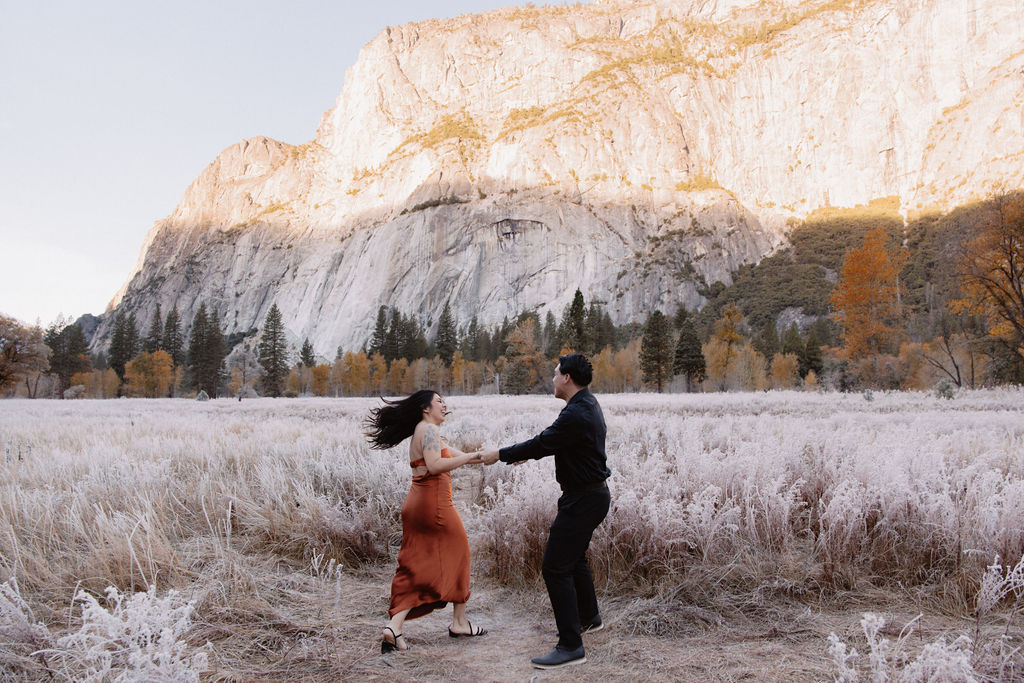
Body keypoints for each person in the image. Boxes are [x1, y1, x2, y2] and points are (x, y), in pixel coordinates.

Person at [479, 353, 611, 670]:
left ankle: (570, 645)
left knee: (555, 567)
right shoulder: (584, 406)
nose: (552, 379)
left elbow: (544, 441)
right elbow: (553, 442)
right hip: (589, 497)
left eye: (555, 374)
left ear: (567, 377)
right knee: (573, 557)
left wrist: (499, 454)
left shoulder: (577, 413)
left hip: (584, 499)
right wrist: (532, 453)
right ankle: (589, 618)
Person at [364, 390, 487, 654]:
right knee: (460, 553)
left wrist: (483, 456)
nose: (444, 404)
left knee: (416, 563)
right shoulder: (428, 430)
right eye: (439, 400)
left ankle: (394, 627)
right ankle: (459, 622)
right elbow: (435, 465)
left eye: (445, 400)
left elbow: (457, 455)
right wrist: (468, 458)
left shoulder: (425, 430)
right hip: (435, 505)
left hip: (417, 504)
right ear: (425, 408)